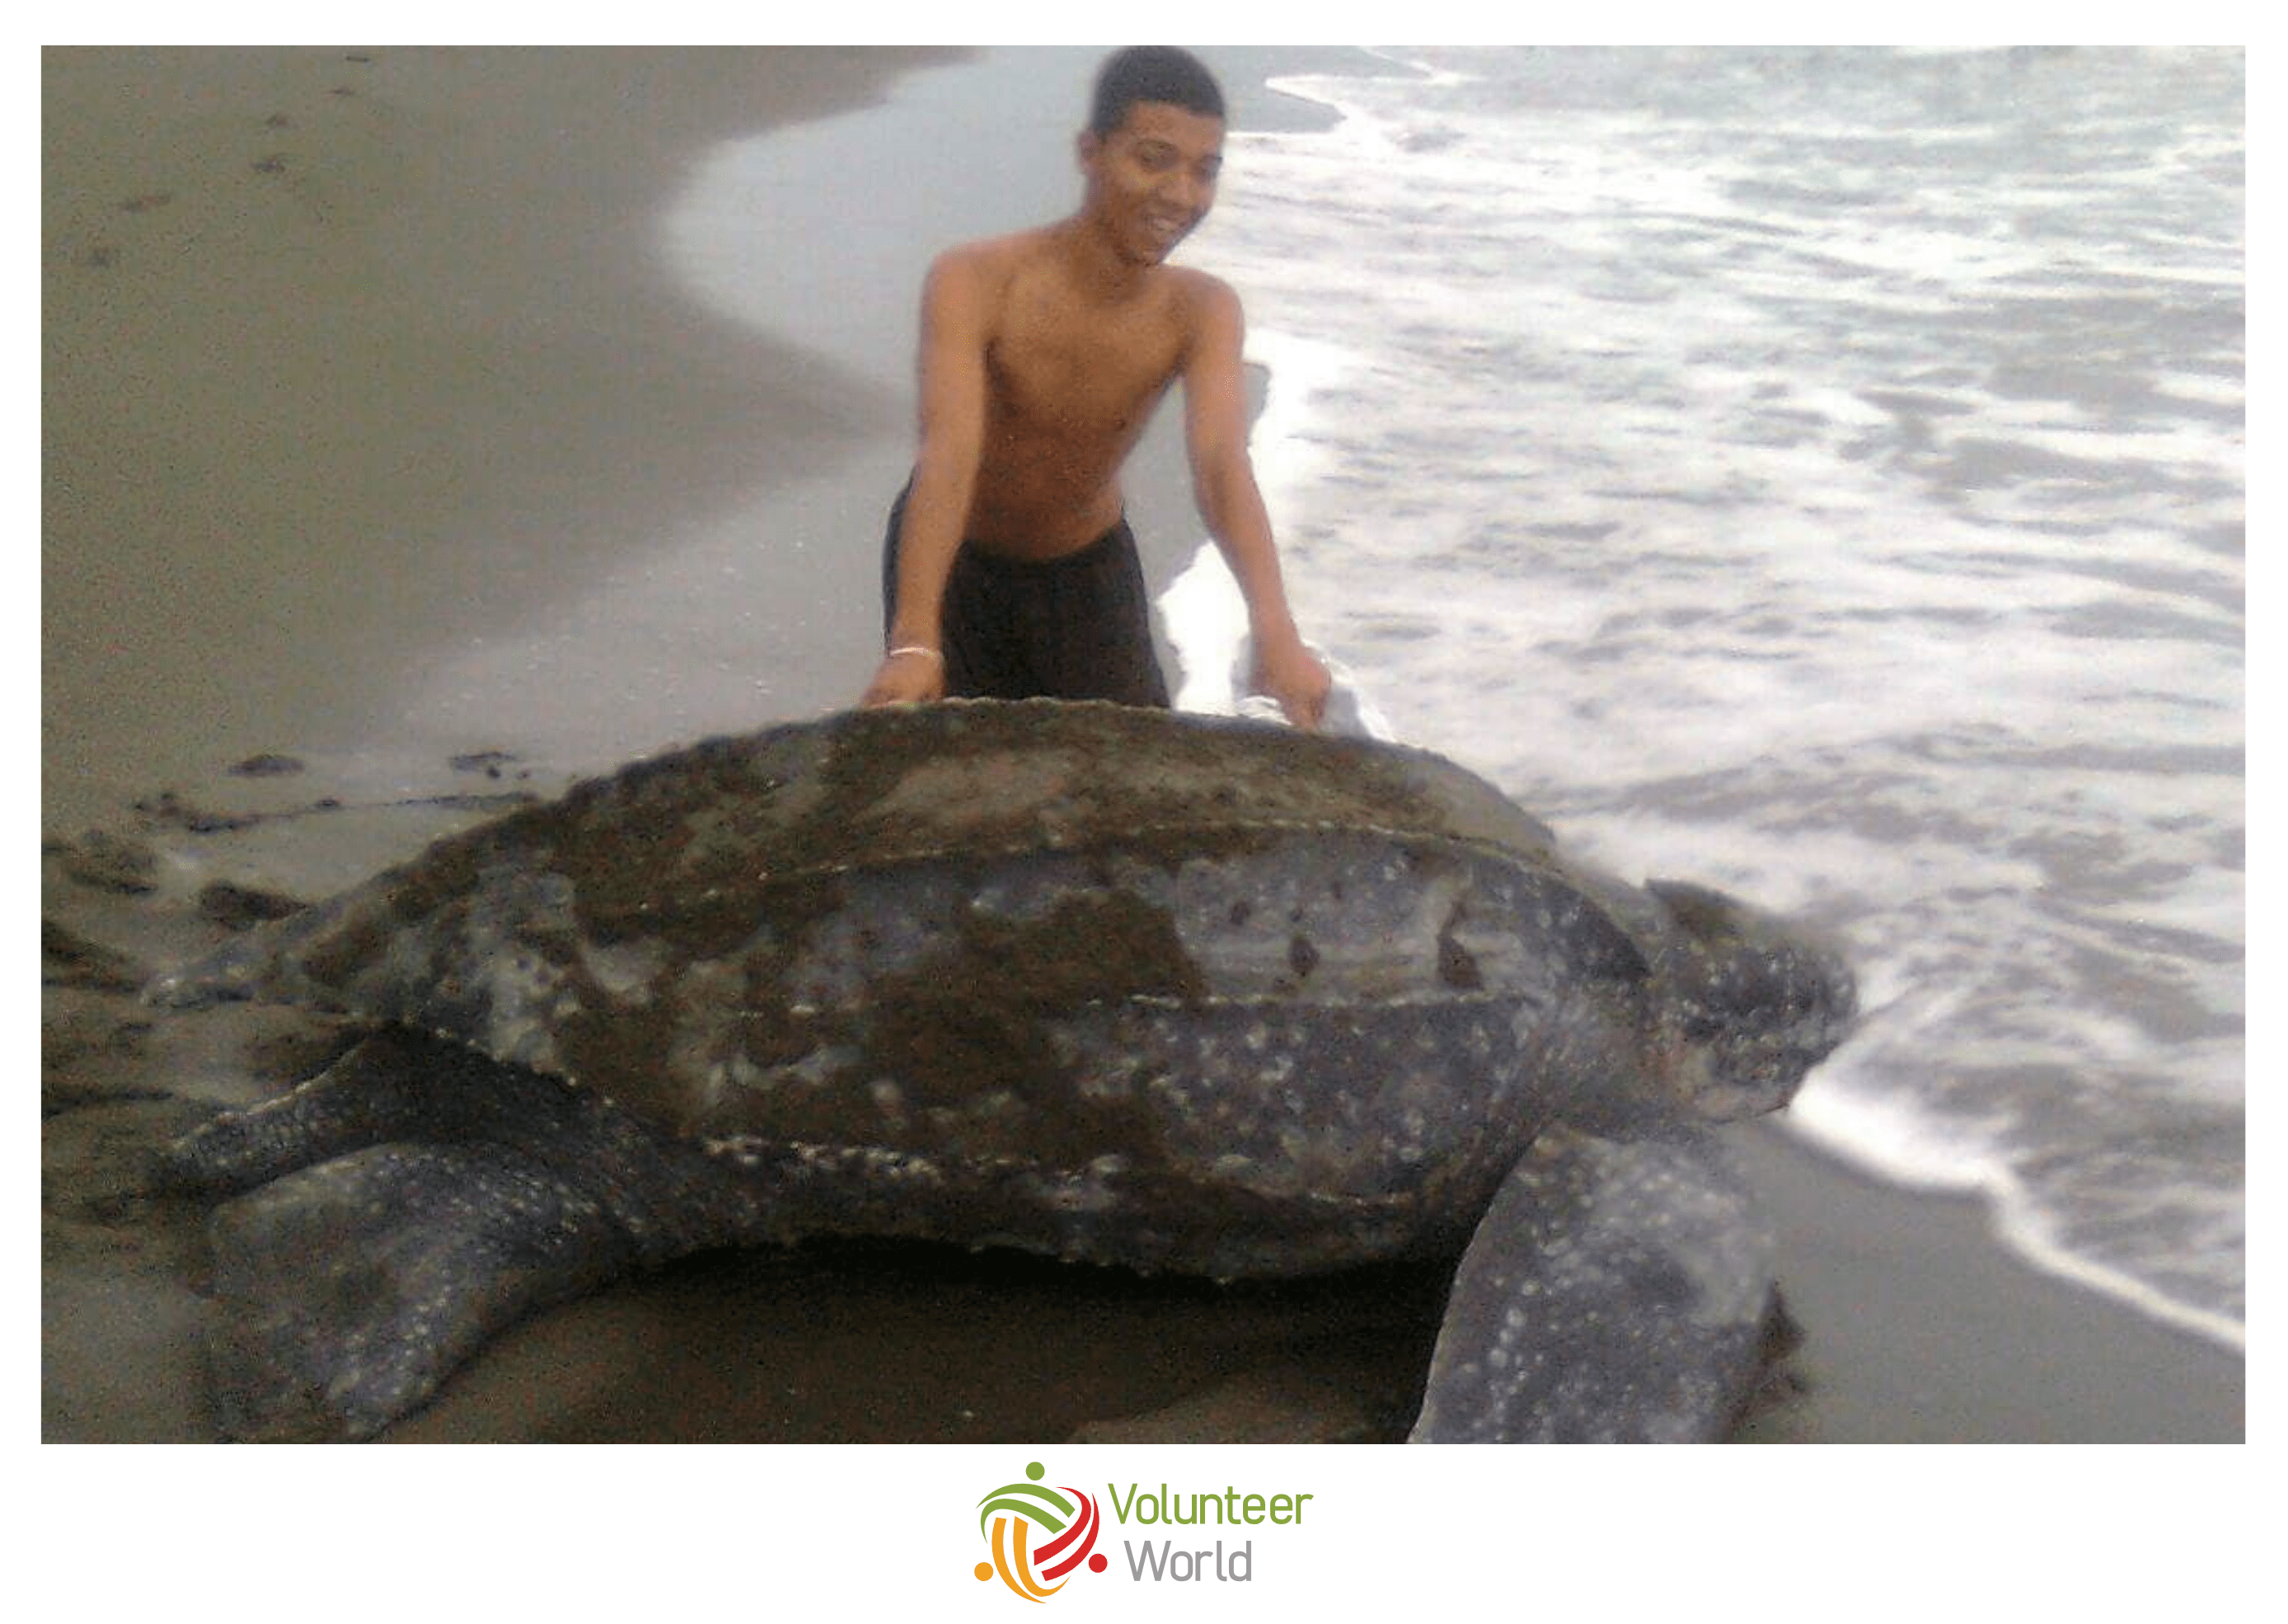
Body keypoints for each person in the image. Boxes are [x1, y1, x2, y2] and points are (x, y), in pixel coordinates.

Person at [860, 45, 1331, 727]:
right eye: (1153, 158)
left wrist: (1277, 632)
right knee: (966, 793)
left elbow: (1222, 467)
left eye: (1205, 172)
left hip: (1086, 575)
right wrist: (914, 639)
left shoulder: (1202, 310)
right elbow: (949, 454)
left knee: (1138, 792)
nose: (1180, 194)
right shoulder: (976, 279)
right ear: (1091, 152)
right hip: (957, 564)